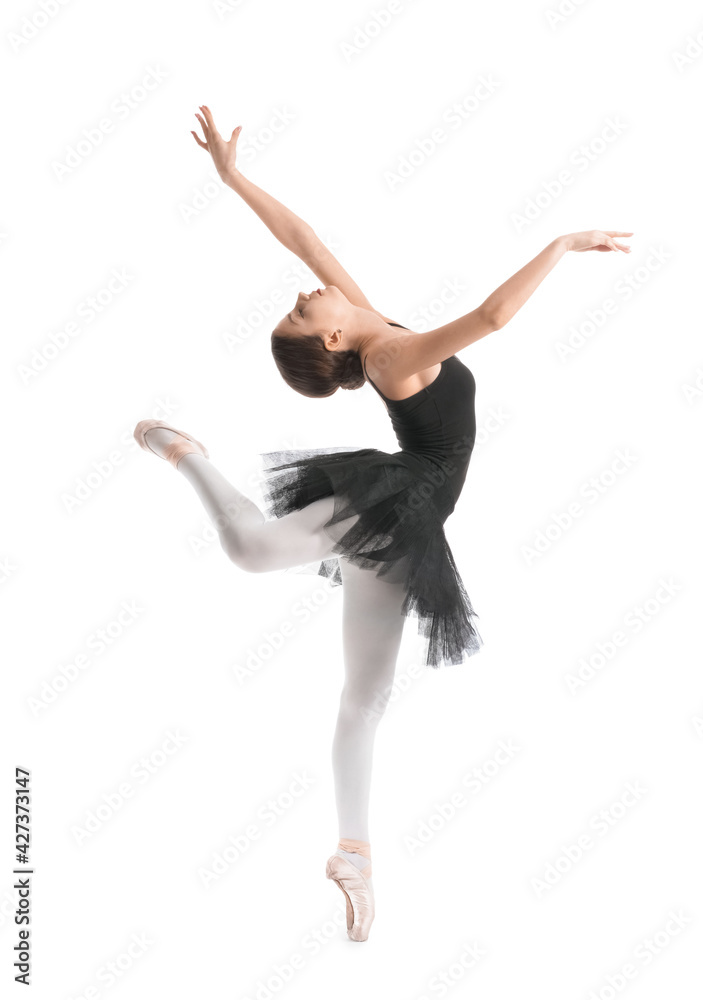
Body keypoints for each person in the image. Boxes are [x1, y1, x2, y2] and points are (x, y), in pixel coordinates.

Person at [134, 105, 633, 942]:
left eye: (298, 302)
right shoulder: (392, 355)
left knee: (365, 697)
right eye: (302, 310)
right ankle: (185, 451)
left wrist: (231, 178)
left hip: (411, 523)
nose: (304, 291)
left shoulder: (365, 321)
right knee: (255, 550)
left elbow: (302, 237)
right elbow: (494, 318)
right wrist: (561, 243)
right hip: (401, 494)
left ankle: (354, 855)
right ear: (332, 336)